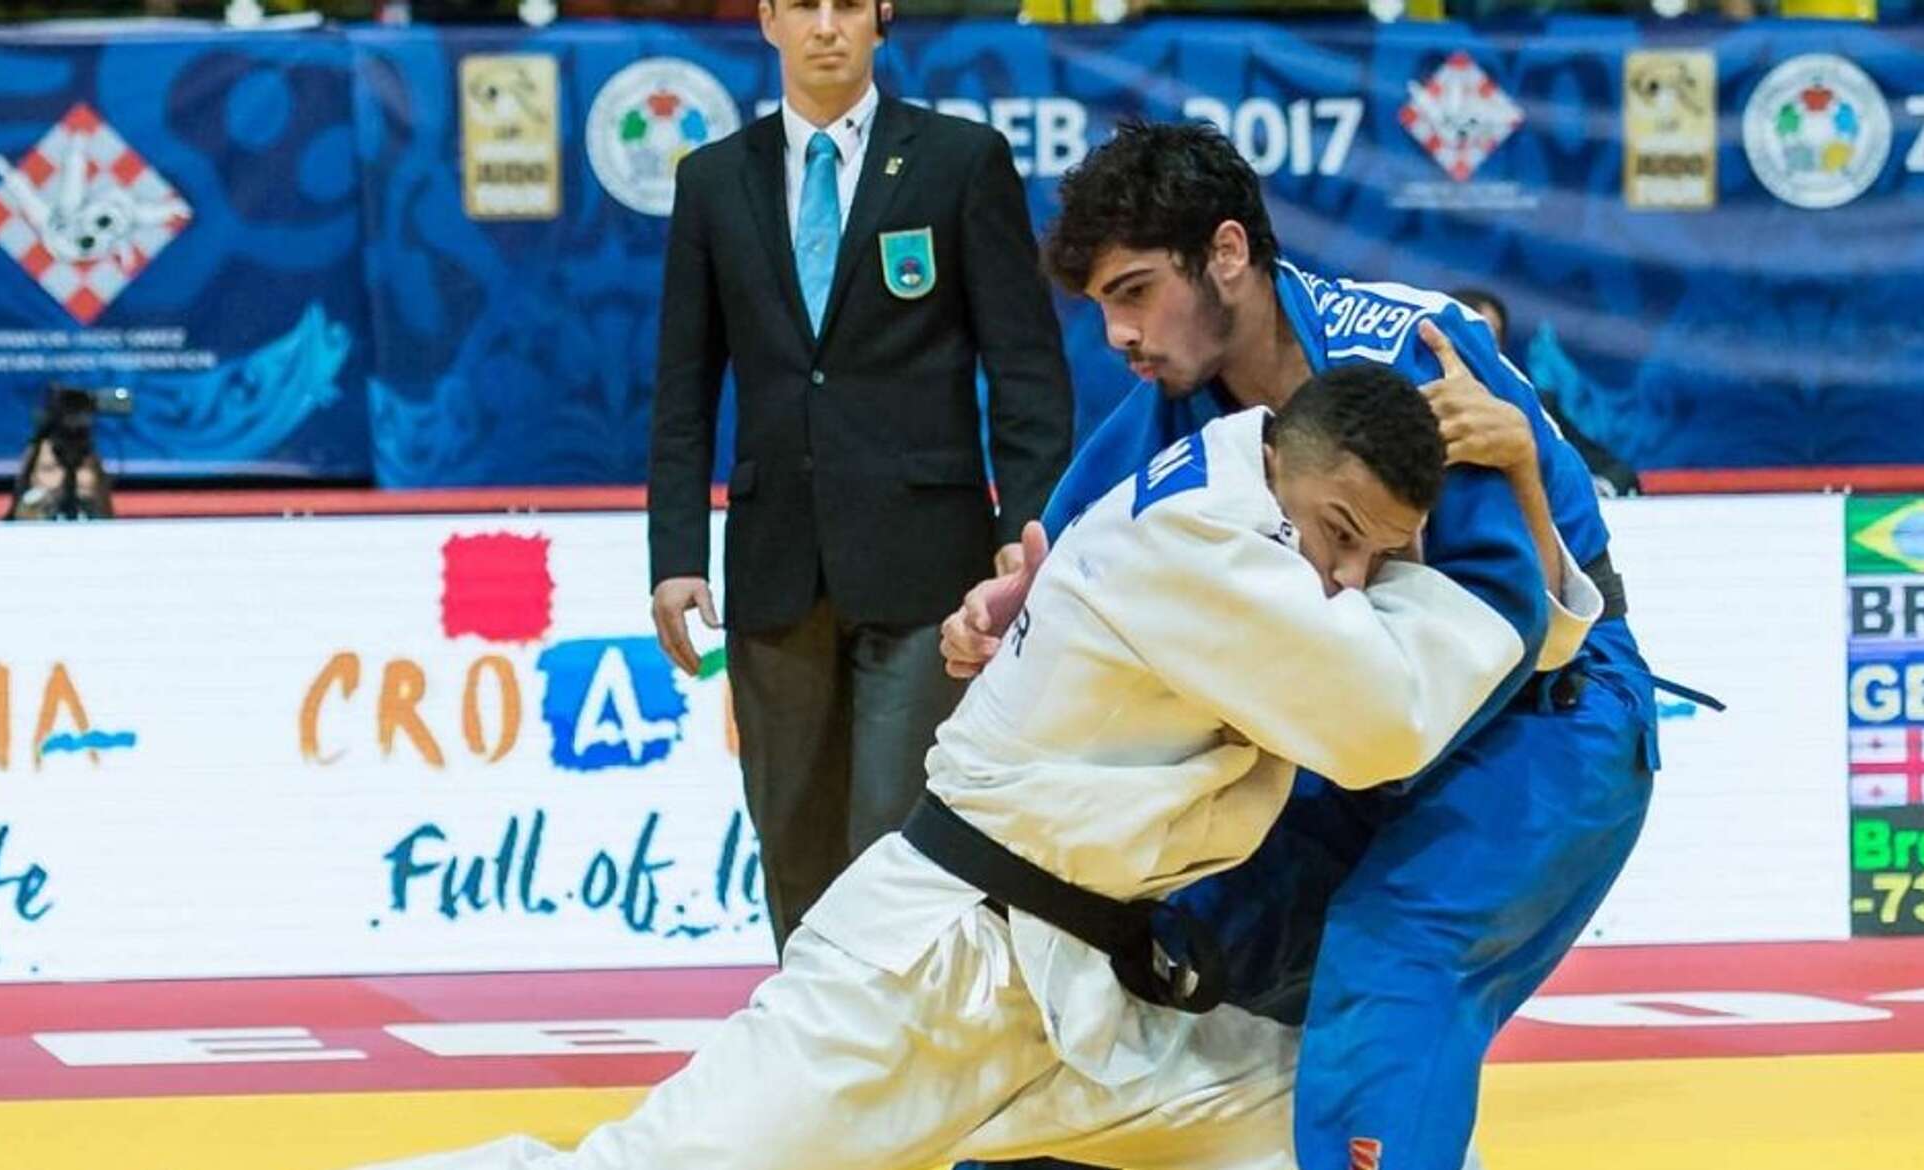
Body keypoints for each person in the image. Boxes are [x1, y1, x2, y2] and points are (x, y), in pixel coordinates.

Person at [358, 365, 1548, 1170]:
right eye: (1339, 536)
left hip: (1084, 999)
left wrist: (1526, 490)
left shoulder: (1254, 501)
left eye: (1378, 559)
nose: (1346, 579)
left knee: (1347, 1119)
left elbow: (1392, 651)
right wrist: (1506, 524)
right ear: (1285, 451)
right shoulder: (1203, 538)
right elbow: (1385, 722)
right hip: (924, 977)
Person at [947, 120, 1656, 1170]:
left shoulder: (1416, 359)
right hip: (1351, 741)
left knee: (1392, 954)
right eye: (1101, 305)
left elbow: (1525, 632)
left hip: (1541, 725)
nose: (1119, 333)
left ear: (1227, 252)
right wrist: (998, 615)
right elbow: (1054, 578)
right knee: (1148, 957)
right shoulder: (1165, 419)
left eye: (1135, 291)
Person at [644, 0, 1073, 951]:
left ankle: (911, 1033)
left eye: (848, 3)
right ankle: (812, 1034)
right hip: (775, 564)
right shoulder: (713, 179)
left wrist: (1028, 525)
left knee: (898, 836)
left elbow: (1027, 369)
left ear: (883, 18)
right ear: (767, 20)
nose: (827, 26)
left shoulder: (960, 160)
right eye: (804, 4)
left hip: (928, 564)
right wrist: (675, 553)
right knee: (792, 839)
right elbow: (683, 387)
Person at [1449, 286, 1639, 497]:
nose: (1485, 351)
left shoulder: (1535, 407)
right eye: (1475, 339)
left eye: (1493, 340)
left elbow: (1617, 472)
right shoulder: (1423, 410)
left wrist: (1596, 491)